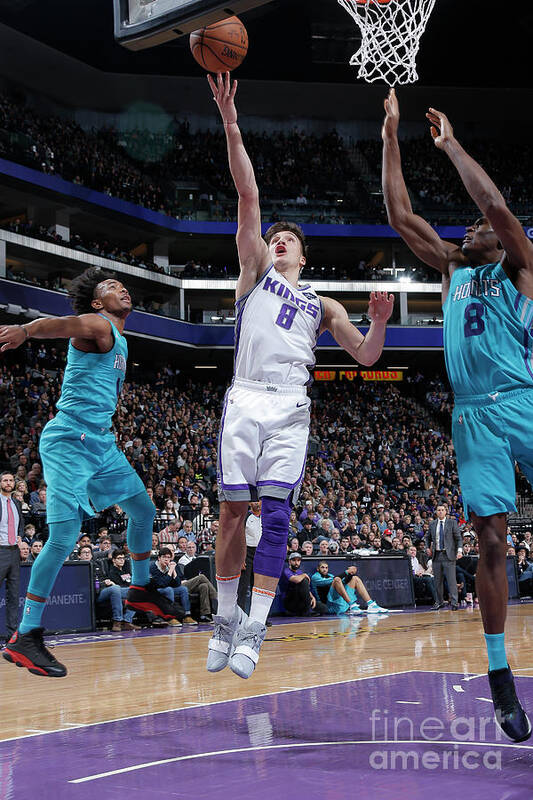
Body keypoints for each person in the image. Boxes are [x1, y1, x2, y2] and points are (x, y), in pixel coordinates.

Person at [205, 73, 394, 680]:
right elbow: (248, 196)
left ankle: (255, 629)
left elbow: (366, 357)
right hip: (245, 398)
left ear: (304, 256)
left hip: (291, 404)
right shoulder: (255, 275)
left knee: (278, 517)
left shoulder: (322, 304)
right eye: (275, 237)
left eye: (289, 240)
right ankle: (226, 619)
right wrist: (232, 124)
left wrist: (381, 322)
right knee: (233, 514)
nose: (279, 241)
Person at [382, 87, 532, 741]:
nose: (465, 229)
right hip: (472, 416)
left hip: (523, 400)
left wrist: (449, 146)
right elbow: (398, 214)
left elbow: (494, 205)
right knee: (491, 540)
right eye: (465, 228)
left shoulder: (520, 267)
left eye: (473, 228)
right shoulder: (450, 269)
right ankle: (499, 676)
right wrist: (390, 136)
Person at [0, 267, 175, 678]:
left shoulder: (120, 338)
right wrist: (26, 331)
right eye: (112, 287)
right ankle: (26, 636)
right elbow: (62, 324)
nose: (122, 289)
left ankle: (138, 588)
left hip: (100, 443)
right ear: (98, 302)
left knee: (144, 511)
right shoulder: (97, 324)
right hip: (68, 441)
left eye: (121, 284)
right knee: (62, 537)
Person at [0, 472, 24, 646]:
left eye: (10, 480)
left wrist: (20, 536)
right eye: (5, 480)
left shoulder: (16, 502)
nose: (8, 483)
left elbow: (20, 524)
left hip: (14, 552)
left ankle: (12, 635)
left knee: (14, 595)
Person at [426, 505, 462, 611]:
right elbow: (427, 538)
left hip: (448, 555)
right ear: (436, 512)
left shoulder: (452, 523)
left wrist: (459, 551)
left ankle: (455, 603)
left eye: (442, 510)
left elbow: (458, 538)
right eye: (438, 510)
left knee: (451, 580)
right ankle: (439, 602)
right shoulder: (432, 524)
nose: (440, 512)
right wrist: (427, 548)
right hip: (436, 555)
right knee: (437, 581)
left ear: (446, 512)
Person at [149, 548, 197, 625]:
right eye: (164, 557)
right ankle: (170, 617)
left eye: (168, 558)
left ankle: (187, 616)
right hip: (156, 590)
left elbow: (177, 584)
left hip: (167, 588)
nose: (166, 559)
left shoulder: (169, 567)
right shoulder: (153, 567)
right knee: (169, 590)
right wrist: (170, 571)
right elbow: (161, 584)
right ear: (159, 558)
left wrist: (174, 571)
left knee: (183, 589)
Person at [237, 501, 262, 614]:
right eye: (255, 501)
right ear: (250, 503)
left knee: (258, 587)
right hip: (247, 553)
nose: (257, 503)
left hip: (261, 553)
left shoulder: (265, 516)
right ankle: (240, 615)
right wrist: (241, 558)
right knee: (243, 586)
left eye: (259, 501)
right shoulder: (245, 517)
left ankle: (258, 616)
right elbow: (239, 537)